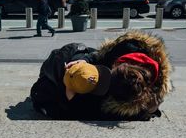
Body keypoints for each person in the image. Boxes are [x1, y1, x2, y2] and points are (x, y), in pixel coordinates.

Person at [30, 30, 172, 120]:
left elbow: (91, 113)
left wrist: (70, 100)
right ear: (118, 65)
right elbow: (98, 56)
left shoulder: (138, 106)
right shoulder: (127, 48)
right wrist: (85, 60)